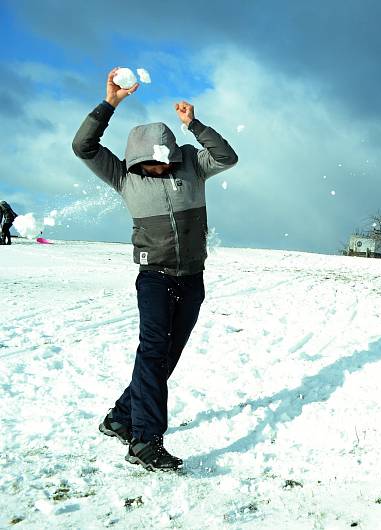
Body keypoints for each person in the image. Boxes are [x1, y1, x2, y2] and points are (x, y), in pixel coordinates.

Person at [72, 67, 238, 471]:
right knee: (152, 353)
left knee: (166, 357)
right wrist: (109, 103)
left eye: (161, 162)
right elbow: (84, 146)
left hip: (192, 279)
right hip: (154, 278)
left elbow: (227, 157)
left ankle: (121, 417)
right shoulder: (124, 177)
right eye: (146, 164)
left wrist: (194, 124)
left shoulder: (193, 167)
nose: (155, 170)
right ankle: (145, 441)